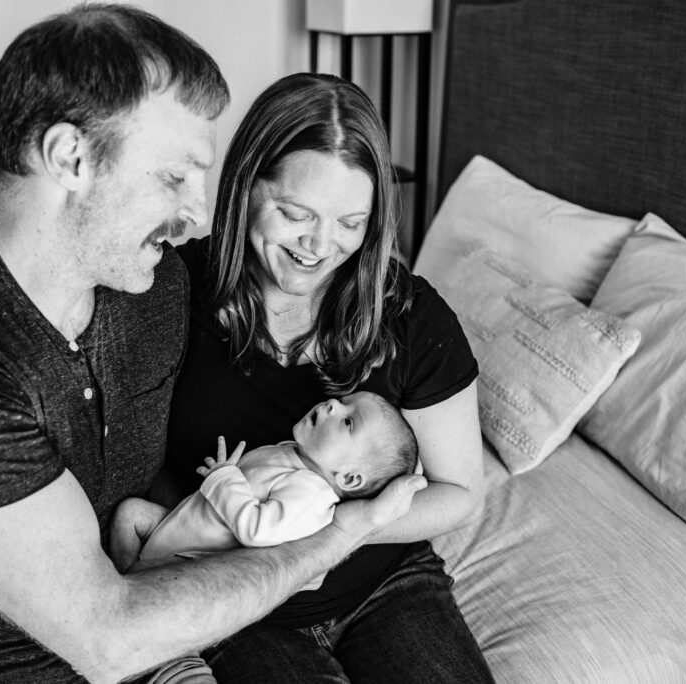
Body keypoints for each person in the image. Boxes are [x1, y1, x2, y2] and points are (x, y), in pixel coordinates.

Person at [0, 6, 426, 683]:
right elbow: (108, 639)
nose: (197, 214)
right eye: (174, 177)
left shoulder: (156, 290)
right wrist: (340, 533)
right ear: (70, 158)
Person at [161, 72, 495, 682]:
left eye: (350, 222)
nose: (319, 246)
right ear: (245, 187)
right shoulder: (172, 294)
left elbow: (460, 493)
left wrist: (340, 533)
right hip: (240, 603)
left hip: (385, 584)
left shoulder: (410, 314)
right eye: (296, 214)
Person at [111, 391, 420, 572]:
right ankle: (121, 577)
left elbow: (257, 531)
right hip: (181, 528)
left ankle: (133, 591)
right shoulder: (294, 453)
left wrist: (224, 478)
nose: (332, 405)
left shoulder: (312, 496)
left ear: (349, 477)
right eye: (342, 401)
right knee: (129, 513)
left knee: (155, 584)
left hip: (191, 559)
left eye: (348, 421)